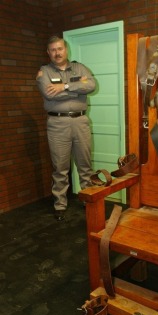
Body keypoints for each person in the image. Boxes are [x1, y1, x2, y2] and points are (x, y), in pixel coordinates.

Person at [36, 36, 96, 221]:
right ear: (48, 52)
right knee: (60, 167)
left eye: (60, 48)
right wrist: (78, 89)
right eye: (53, 50)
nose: (57, 53)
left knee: (85, 165)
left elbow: (92, 85)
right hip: (57, 124)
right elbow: (49, 94)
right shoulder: (43, 72)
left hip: (80, 122)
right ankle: (60, 204)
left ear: (66, 49)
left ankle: (88, 200)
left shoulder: (79, 67)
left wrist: (64, 86)